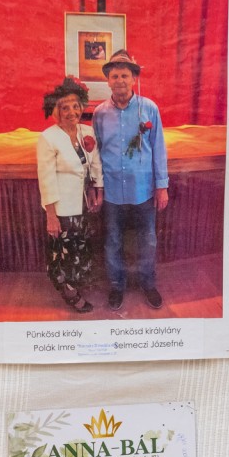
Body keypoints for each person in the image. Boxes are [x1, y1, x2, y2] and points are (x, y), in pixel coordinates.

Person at [92, 49, 168, 311]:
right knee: (113, 240)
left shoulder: (150, 109)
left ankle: (148, 283)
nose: (120, 81)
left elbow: (159, 148)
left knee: (148, 240)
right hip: (113, 192)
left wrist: (162, 186)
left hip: (144, 191)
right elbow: (96, 153)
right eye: (114, 76)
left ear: (134, 79)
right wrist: (97, 187)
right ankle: (116, 286)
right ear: (108, 81)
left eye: (125, 75)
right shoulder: (99, 113)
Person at [37, 77, 104, 313]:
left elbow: (95, 164)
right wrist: (51, 216)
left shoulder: (87, 132)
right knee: (63, 252)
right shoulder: (48, 137)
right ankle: (69, 292)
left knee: (79, 247)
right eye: (64, 107)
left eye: (75, 106)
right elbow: (46, 178)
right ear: (55, 111)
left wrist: (97, 190)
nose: (71, 112)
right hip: (62, 208)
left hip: (83, 205)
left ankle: (76, 283)